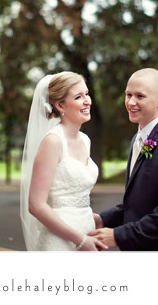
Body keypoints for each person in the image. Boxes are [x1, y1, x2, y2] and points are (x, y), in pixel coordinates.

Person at [89, 68, 158, 250]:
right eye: (128, 94)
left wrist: (118, 236)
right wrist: (103, 219)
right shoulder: (137, 139)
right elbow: (138, 204)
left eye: (140, 96)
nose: (131, 102)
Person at [20, 72, 107, 251]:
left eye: (87, 94)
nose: (87, 101)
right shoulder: (53, 141)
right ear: (60, 105)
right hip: (59, 241)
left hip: (87, 232)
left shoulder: (85, 140)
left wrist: (93, 221)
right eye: (78, 97)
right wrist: (79, 240)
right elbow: (36, 205)